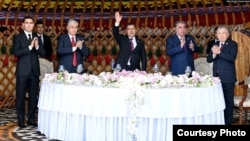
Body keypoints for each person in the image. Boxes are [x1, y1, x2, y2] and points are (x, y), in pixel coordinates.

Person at [13, 16, 46, 128]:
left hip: (34, 71)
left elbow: (43, 53)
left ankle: (31, 119)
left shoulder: (37, 37)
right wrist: (29, 47)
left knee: (33, 96)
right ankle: (21, 120)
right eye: (26, 23)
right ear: (23, 25)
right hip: (22, 71)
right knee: (20, 97)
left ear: (33, 25)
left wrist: (36, 47)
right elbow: (16, 52)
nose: (28, 25)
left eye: (31, 23)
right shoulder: (18, 37)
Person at [206, 26, 238, 125]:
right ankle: (219, 121)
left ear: (227, 34)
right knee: (218, 101)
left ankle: (227, 124)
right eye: (219, 33)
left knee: (228, 102)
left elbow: (232, 58)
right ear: (217, 35)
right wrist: (214, 54)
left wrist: (219, 52)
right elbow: (209, 59)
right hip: (216, 78)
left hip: (228, 78)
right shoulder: (214, 44)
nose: (221, 35)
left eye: (224, 33)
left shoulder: (232, 44)